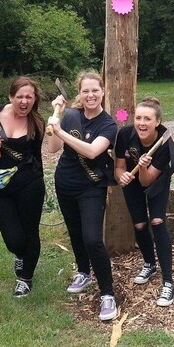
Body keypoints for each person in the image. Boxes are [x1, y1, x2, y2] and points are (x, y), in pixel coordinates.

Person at [47, 71, 118, 321]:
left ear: (103, 92)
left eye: (95, 90)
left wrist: (60, 130)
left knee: (92, 239)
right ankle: (84, 273)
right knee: (75, 232)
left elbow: (91, 152)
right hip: (65, 182)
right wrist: (56, 119)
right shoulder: (71, 116)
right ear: (80, 93)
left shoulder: (108, 124)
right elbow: (54, 148)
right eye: (85, 91)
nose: (90, 95)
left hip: (91, 187)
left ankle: (107, 294)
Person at [0, 77, 45, 298]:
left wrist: (39, 181)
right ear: (10, 97)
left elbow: (37, 156)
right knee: (13, 238)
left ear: (34, 99)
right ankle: (20, 254)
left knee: (30, 232)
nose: (24, 101)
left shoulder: (37, 122)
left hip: (29, 184)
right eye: (20, 96)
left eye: (29, 97)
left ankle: (25, 278)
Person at [115, 97, 174, 307]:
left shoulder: (163, 143)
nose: (142, 123)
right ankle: (149, 263)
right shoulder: (125, 134)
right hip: (133, 181)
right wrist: (122, 176)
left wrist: (143, 167)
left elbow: (146, 180)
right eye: (138, 118)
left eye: (147, 119)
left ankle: (168, 282)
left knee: (157, 222)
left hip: (155, 180)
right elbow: (119, 166)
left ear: (158, 122)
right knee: (140, 224)